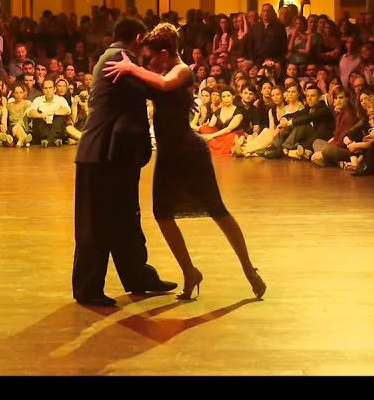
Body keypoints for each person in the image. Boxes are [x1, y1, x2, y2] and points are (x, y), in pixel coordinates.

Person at [105, 23, 266, 300]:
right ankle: (190, 271)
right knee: (163, 215)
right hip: (169, 155)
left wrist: (132, 68)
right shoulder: (163, 70)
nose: (150, 63)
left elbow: (164, 85)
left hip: (190, 153)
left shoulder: (182, 70)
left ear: (166, 53)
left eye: (152, 57)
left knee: (218, 211)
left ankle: (249, 269)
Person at [70, 16, 176, 307]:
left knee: (126, 220)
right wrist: (171, 69)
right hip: (103, 155)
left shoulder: (116, 58)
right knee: (97, 224)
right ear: (139, 39)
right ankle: (88, 289)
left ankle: (138, 276)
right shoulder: (119, 61)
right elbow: (156, 91)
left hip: (114, 155)